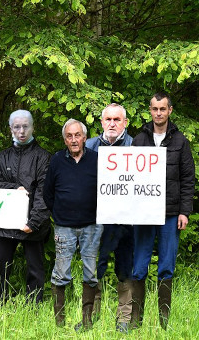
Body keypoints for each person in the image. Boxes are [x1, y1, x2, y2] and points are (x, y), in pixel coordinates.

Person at [130, 92, 195, 330]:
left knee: (166, 266)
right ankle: (136, 322)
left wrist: (184, 212)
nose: (159, 113)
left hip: (170, 214)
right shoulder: (138, 140)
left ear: (170, 111)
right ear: (150, 110)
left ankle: (163, 324)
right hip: (144, 215)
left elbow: (188, 179)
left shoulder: (181, 142)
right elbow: (128, 180)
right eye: (155, 109)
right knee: (139, 266)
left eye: (163, 109)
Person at [0, 110, 51, 306]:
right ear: (10, 129)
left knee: (35, 268)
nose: (21, 131)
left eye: (25, 126)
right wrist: (15, 188)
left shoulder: (43, 157)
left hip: (34, 224)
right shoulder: (2, 157)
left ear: (33, 127)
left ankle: (33, 305)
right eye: (17, 127)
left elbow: (45, 192)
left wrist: (34, 222)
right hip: (6, 223)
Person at [44, 119, 101, 331]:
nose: (74, 139)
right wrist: (60, 212)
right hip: (64, 227)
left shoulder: (96, 159)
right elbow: (47, 193)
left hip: (92, 226)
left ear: (85, 137)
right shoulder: (57, 160)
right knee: (61, 272)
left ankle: (87, 321)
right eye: (70, 136)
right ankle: (59, 322)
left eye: (78, 135)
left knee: (90, 272)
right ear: (65, 139)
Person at [85, 103, 133, 332]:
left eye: (117, 119)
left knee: (125, 269)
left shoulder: (137, 146)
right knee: (94, 268)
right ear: (102, 122)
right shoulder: (89, 146)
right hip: (96, 219)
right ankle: (91, 317)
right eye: (108, 119)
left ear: (125, 122)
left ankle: (123, 320)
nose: (112, 123)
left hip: (126, 220)